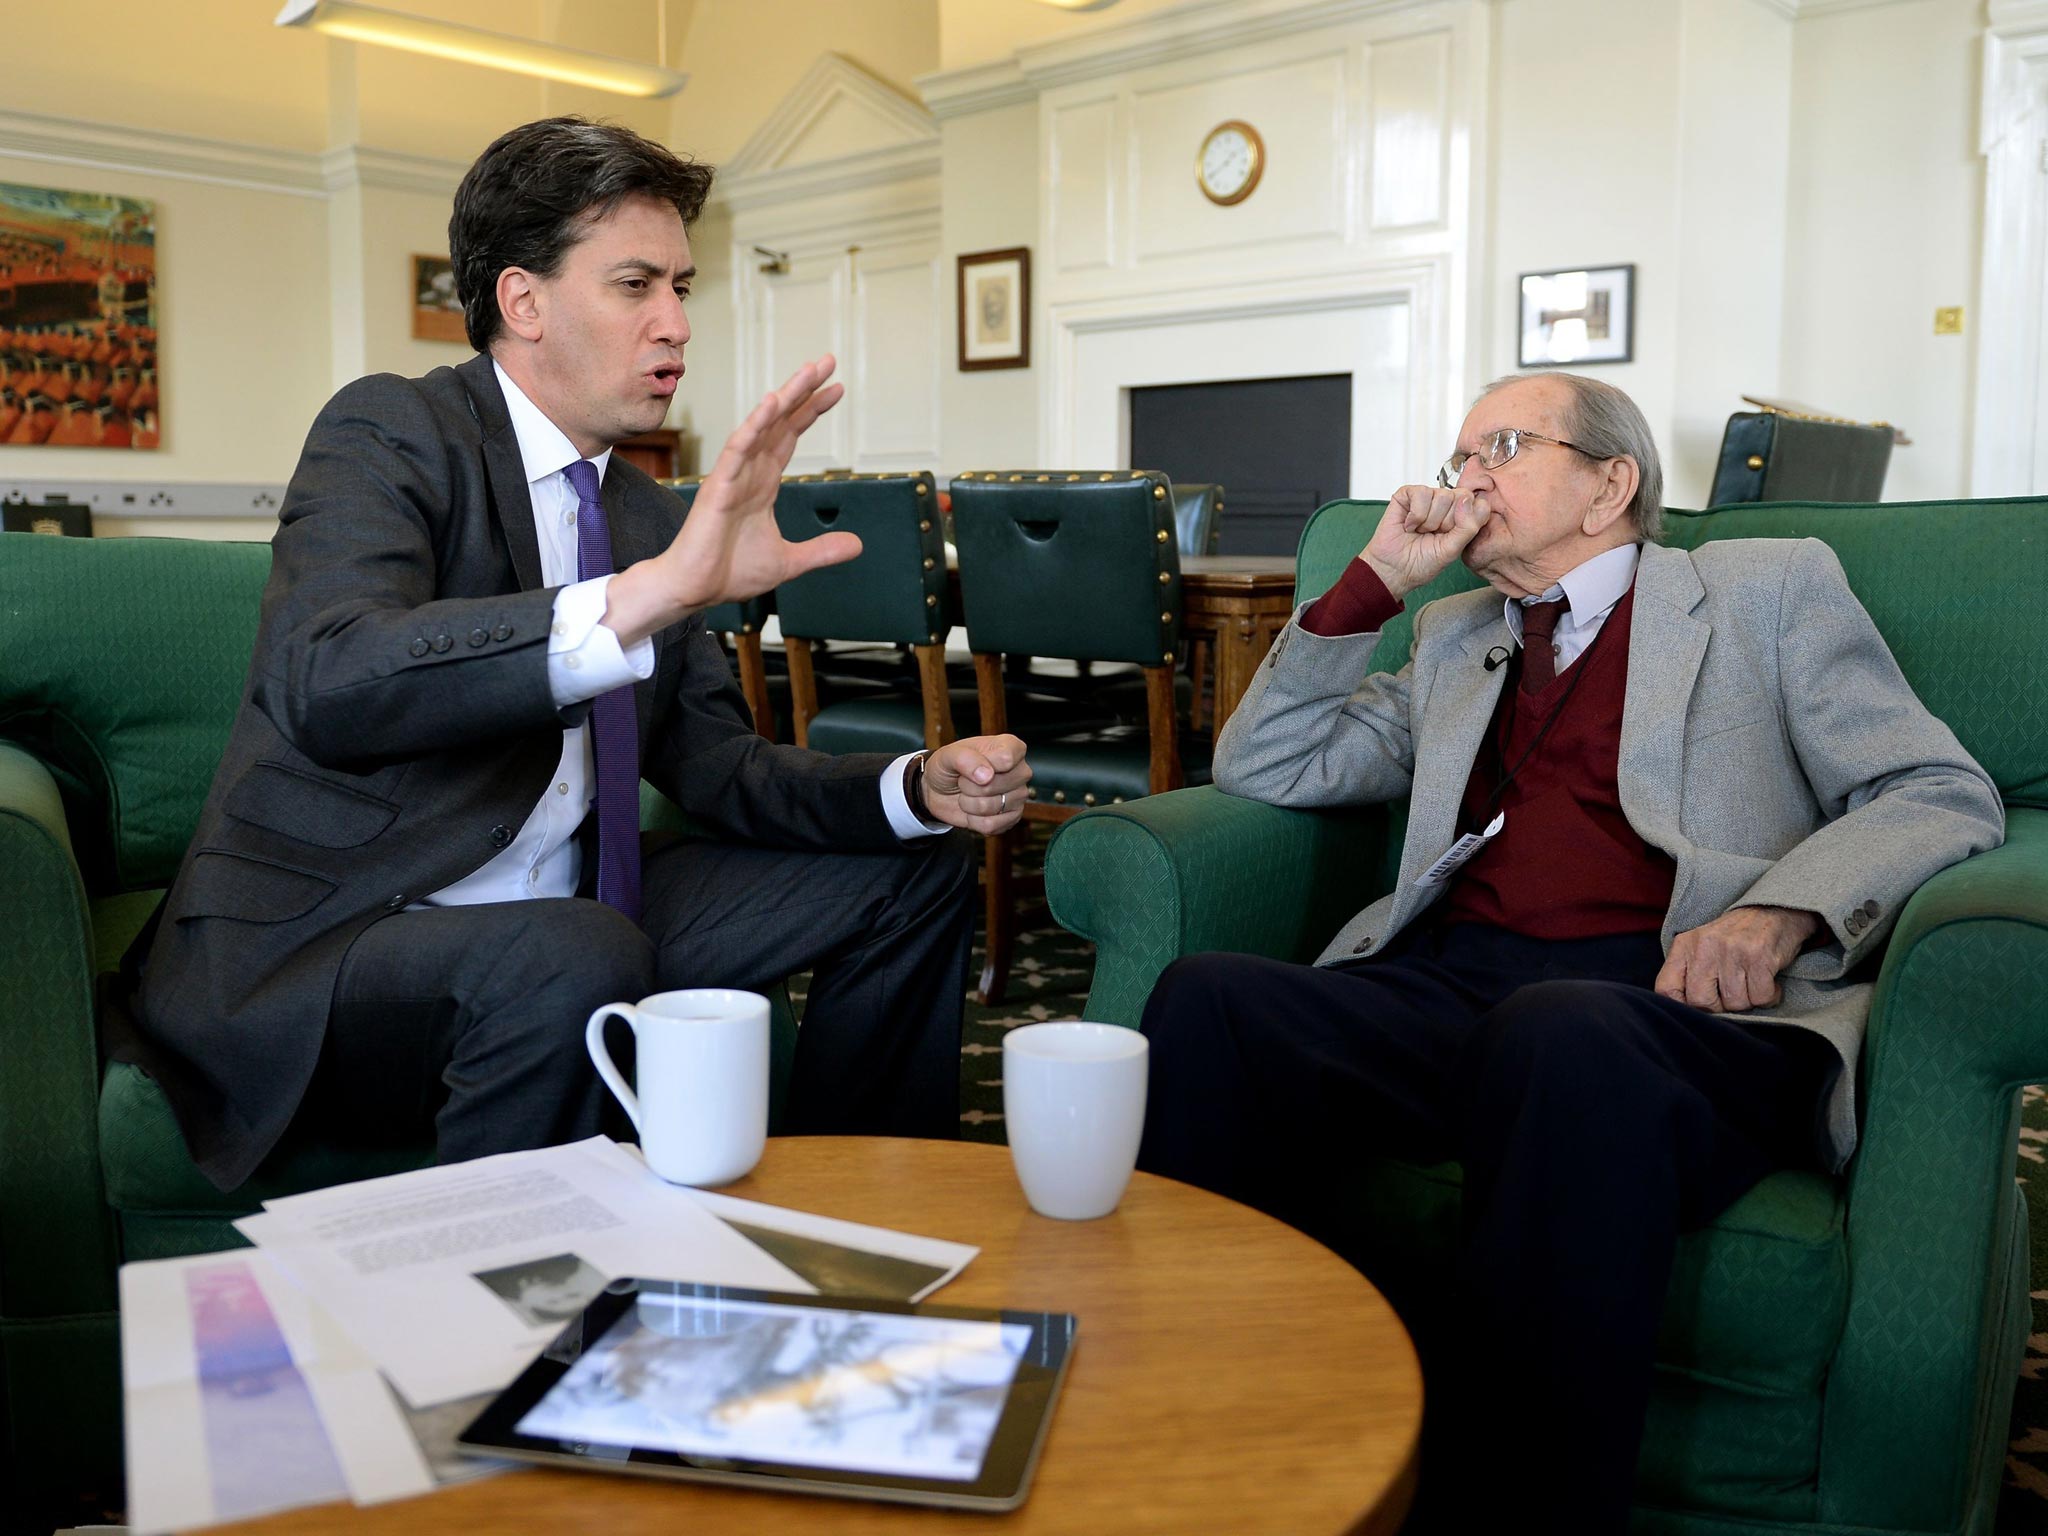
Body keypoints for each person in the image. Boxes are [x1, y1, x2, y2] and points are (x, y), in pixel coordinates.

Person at [1134, 371, 2004, 1530]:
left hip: (1680, 1005)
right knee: (1210, 1004)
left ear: (1610, 485)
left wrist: (1780, 911)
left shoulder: (1764, 590)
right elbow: (1269, 766)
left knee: (1561, 1038)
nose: (1465, 478)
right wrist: (1375, 584)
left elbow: (1937, 789)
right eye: (1456, 459)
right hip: (1458, 988)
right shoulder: (1452, 635)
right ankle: (1194, 1443)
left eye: (1500, 445)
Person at [127, 117, 1031, 1194]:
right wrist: (649, 594)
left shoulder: (642, 511)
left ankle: (853, 1208)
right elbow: (332, 678)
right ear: (524, 301)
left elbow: (715, 766)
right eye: (635, 285)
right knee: (569, 950)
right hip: (347, 936)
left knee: (911, 867)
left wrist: (910, 787)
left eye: (682, 288)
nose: (675, 325)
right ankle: (516, 1312)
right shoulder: (391, 431)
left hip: (573, 906)